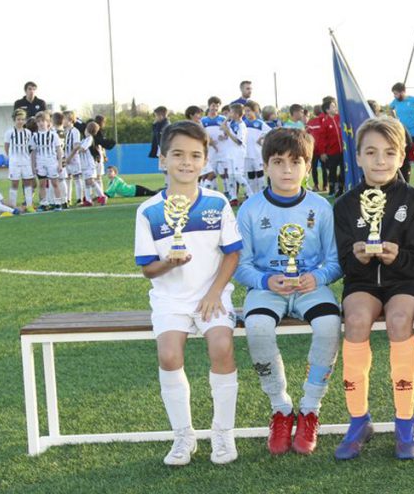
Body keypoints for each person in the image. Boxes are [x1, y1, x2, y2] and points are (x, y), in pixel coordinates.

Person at [133, 120, 243, 466]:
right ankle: (183, 436)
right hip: (170, 299)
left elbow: (233, 253)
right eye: (177, 154)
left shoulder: (217, 202)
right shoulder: (148, 210)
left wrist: (214, 293)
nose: (186, 162)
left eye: (195, 155)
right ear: (162, 160)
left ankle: (223, 433)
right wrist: (169, 262)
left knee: (222, 346)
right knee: (168, 355)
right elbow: (148, 268)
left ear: (205, 161)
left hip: (213, 294)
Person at [234, 128, 342, 456]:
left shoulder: (321, 208)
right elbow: (241, 265)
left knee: (328, 325)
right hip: (268, 288)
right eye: (278, 162)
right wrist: (266, 282)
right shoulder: (250, 209)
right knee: (257, 326)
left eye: (296, 162)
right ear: (265, 165)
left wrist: (317, 276)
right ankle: (280, 408)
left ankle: (310, 408)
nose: (286, 170)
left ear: (308, 167)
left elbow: (336, 261)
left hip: (311, 287)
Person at [332, 116, 414, 461]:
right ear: (357, 156)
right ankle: (359, 420)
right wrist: (358, 256)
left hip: (402, 279)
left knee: (400, 320)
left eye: (389, 153)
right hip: (362, 282)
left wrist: (396, 256)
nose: (380, 161)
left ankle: (405, 423)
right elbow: (343, 262)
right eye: (371, 152)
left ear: (402, 157)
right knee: (356, 320)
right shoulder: (344, 204)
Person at [388, 82, 414, 185]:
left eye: (396, 93)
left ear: (403, 92)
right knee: (404, 160)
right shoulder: (395, 102)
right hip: (402, 136)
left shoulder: (413, 100)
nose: (395, 96)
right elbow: (390, 108)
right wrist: (394, 119)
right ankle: (405, 185)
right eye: (394, 94)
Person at [32, 111, 65, 210]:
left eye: (43, 121)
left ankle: (58, 203)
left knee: (54, 183)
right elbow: (33, 152)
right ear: (36, 123)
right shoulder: (35, 136)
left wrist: (60, 164)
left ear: (48, 122)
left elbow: (59, 150)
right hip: (40, 162)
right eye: (38, 121)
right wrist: (33, 166)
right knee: (42, 184)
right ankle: (44, 203)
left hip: (52, 162)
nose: (41, 123)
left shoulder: (53, 135)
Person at [67, 122, 107, 205]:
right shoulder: (85, 139)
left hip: (89, 164)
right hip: (84, 165)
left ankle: (102, 195)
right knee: (86, 182)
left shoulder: (89, 139)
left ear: (87, 130)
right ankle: (88, 200)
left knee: (91, 181)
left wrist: (78, 148)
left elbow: (83, 149)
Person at [4, 110, 36, 211]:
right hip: (14, 162)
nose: (20, 121)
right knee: (15, 183)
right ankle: (13, 207)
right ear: (14, 120)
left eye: (22, 119)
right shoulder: (9, 133)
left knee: (28, 182)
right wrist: (12, 158)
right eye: (18, 119)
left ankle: (29, 205)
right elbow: (6, 147)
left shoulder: (28, 133)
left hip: (26, 161)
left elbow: (31, 147)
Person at [319, 97, 344, 197]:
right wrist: (322, 152)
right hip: (332, 153)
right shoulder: (325, 123)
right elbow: (322, 139)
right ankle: (332, 190)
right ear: (327, 110)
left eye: (335, 106)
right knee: (332, 172)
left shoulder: (341, 118)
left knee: (343, 171)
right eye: (333, 106)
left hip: (342, 152)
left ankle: (341, 189)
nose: (335, 108)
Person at [242, 103, 268, 195]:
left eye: (249, 111)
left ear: (255, 111)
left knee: (260, 176)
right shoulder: (242, 123)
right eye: (245, 111)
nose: (246, 113)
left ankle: (261, 194)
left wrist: (261, 139)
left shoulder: (260, 123)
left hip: (257, 155)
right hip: (246, 155)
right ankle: (252, 195)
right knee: (250, 176)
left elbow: (270, 132)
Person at [61, 111, 83, 206]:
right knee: (67, 179)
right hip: (67, 158)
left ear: (70, 120)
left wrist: (69, 158)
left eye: (64, 119)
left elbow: (76, 146)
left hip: (74, 159)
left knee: (77, 178)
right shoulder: (65, 131)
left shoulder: (75, 131)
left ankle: (79, 199)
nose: (63, 121)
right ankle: (67, 199)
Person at [306, 106, 328, 193]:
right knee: (324, 168)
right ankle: (325, 186)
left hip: (313, 149)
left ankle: (316, 185)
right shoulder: (325, 121)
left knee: (314, 168)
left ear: (314, 112)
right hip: (323, 149)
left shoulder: (311, 122)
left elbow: (306, 135)